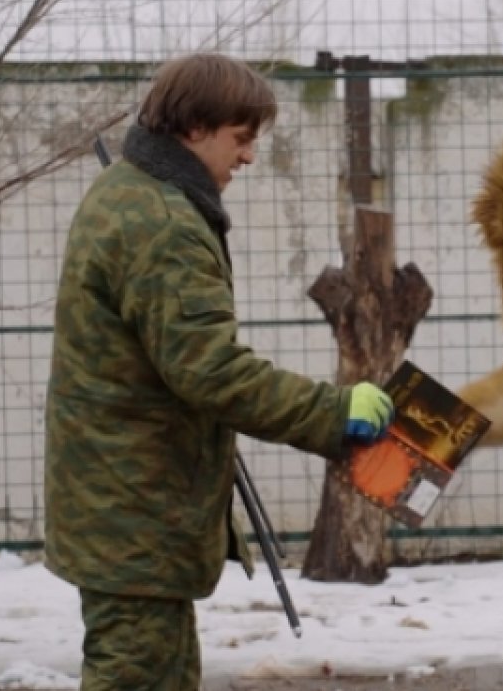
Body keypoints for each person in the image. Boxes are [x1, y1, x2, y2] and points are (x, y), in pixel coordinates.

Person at [43, 52, 394, 689]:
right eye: (241, 137)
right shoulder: (162, 225)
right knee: (140, 675)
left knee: (159, 672)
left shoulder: (128, 190)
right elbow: (211, 372)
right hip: (134, 512)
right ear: (194, 127)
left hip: (122, 502)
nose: (250, 155)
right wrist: (335, 411)